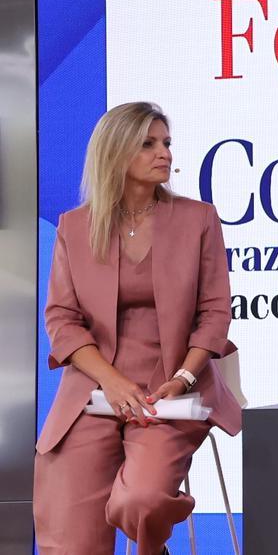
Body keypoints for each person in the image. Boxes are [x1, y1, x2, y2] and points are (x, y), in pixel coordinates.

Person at [34, 102, 240, 555]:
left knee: (141, 501)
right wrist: (112, 381)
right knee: (70, 527)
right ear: (117, 152)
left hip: (172, 391)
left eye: (166, 142)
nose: (163, 153)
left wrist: (184, 377)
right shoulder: (74, 227)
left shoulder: (197, 219)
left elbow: (214, 312)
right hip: (94, 390)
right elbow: (62, 320)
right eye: (148, 144)